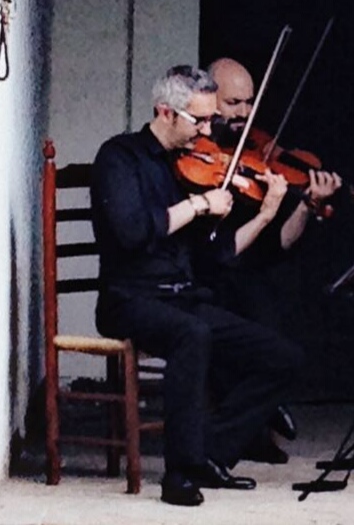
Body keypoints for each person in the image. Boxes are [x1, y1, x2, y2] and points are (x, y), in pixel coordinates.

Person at [90, 65, 304, 507]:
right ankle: (179, 474)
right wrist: (198, 204)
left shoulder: (190, 166)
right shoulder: (119, 157)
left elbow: (219, 253)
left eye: (210, 120)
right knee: (193, 334)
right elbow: (131, 232)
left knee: (282, 357)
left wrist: (266, 215)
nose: (209, 130)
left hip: (182, 297)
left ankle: (209, 451)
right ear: (166, 112)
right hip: (130, 298)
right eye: (200, 121)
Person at [198, 57, 343, 462]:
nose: (244, 114)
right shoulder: (194, 155)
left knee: (277, 285)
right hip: (205, 269)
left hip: (242, 267)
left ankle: (256, 416)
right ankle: (254, 415)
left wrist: (306, 205)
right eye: (233, 104)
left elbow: (276, 244)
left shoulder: (253, 158)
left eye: (249, 104)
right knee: (242, 297)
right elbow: (215, 249)